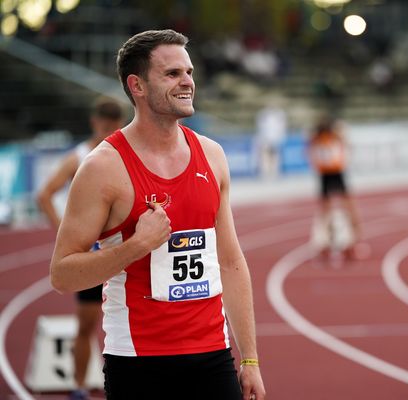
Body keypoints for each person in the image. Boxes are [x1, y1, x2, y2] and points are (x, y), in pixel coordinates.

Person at [49, 29, 266, 400]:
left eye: (190, 72)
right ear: (137, 85)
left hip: (212, 355)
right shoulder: (103, 168)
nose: (187, 82)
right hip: (138, 361)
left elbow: (229, 262)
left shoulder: (212, 156)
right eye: (172, 74)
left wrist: (250, 360)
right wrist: (136, 246)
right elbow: (62, 274)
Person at [36, 97, 124, 400]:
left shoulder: (125, 154)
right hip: (91, 256)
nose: (107, 132)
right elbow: (44, 195)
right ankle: (77, 387)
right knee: (87, 324)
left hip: (123, 254)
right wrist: (65, 232)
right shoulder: (79, 157)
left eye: (113, 127)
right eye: (104, 126)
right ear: (94, 123)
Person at [308, 116, 361, 261]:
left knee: (331, 211)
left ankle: (339, 243)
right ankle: (334, 244)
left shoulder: (324, 137)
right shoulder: (321, 138)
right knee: (336, 210)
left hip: (332, 173)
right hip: (331, 173)